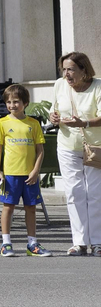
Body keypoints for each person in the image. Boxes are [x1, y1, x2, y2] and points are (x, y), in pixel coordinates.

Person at [49, 51, 101, 255]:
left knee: (95, 194)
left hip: (95, 148)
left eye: (71, 69)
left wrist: (85, 123)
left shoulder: (98, 86)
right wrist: (53, 117)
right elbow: (55, 110)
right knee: (74, 193)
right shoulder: (59, 85)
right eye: (64, 69)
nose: (66, 74)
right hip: (67, 146)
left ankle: (97, 242)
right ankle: (79, 242)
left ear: (84, 70)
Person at [0, 83, 51, 257]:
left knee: (31, 208)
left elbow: (40, 150)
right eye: (9, 102)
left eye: (16, 101)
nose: (12, 105)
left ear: (25, 103)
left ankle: (32, 244)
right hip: (11, 174)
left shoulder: (33, 124)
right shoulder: (2, 123)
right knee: (8, 207)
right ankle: (6, 243)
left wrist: (35, 171)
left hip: (29, 175)